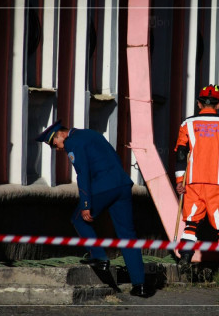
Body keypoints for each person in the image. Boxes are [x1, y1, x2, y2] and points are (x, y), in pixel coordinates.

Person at [36, 121, 152, 297]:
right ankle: (140, 284)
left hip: (104, 186)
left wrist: (85, 205)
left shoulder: (72, 142)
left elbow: (82, 174)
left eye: (54, 144)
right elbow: (113, 156)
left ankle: (99, 256)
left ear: (61, 135)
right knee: (127, 234)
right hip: (122, 184)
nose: (58, 149)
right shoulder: (91, 133)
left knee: (77, 218)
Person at [174, 84, 219, 291]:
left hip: (193, 183)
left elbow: (180, 153)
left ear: (199, 103)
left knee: (191, 225)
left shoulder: (187, 124)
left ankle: (184, 263)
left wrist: (180, 181)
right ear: (218, 104)